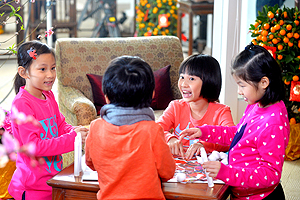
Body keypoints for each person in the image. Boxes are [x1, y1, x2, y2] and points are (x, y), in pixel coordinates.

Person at [180, 43, 289, 199]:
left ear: (264, 82)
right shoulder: (256, 104)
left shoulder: (273, 123)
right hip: (240, 191)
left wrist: (226, 172)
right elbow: (238, 134)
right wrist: (204, 131)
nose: (239, 91)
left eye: (242, 85)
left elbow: (270, 175)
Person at [85, 55, 175, 200]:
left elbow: (91, 163)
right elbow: (168, 172)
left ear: (106, 97)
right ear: (152, 94)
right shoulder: (152, 130)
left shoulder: (96, 127)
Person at [8, 40, 88, 200]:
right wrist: (72, 139)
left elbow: (60, 124)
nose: (50, 75)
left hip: (52, 180)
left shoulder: (48, 95)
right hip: (32, 188)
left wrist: (76, 131)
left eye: (53, 68)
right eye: (42, 69)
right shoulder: (22, 104)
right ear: (23, 72)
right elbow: (34, 147)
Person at [157, 54, 235, 159]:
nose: (183, 84)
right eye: (182, 77)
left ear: (208, 81)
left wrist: (204, 145)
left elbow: (231, 138)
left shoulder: (221, 111)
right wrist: (169, 138)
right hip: (177, 166)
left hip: (206, 167)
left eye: (192, 79)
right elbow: (157, 129)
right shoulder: (175, 106)